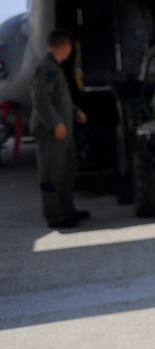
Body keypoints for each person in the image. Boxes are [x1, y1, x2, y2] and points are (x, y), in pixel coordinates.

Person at [30, 29, 89, 228]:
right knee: (52, 174)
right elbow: (41, 100)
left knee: (67, 171)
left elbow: (58, 98)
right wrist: (55, 123)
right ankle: (54, 216)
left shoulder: (55, 68)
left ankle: (67, 210)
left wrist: (74, 110)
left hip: (64, 131)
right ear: (64, 47)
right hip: (51, 132)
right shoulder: (47, 68)